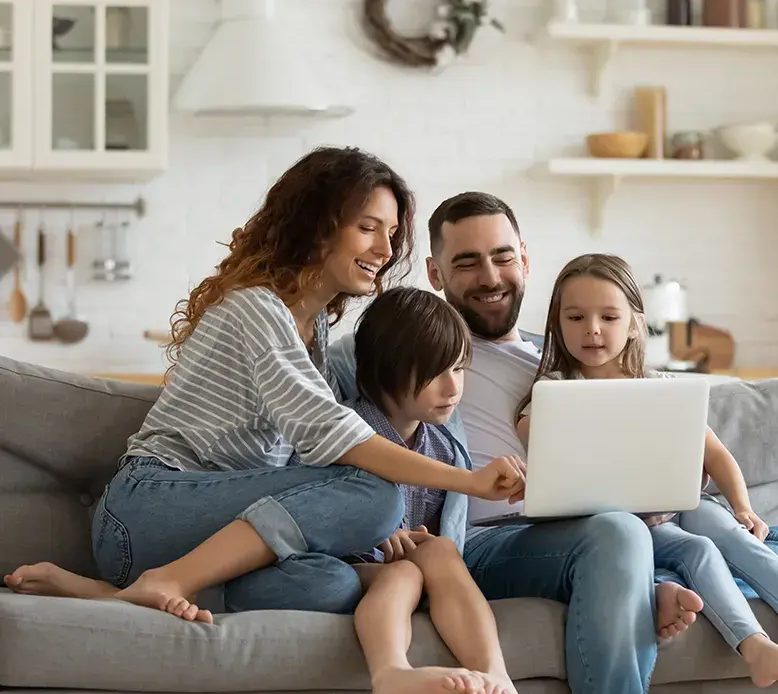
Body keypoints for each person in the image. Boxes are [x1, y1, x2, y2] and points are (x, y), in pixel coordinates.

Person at [416, 192, 778, 694]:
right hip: (499, 540)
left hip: (615, 531)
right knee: (622, 533)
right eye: (466, 262)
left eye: (502, 257)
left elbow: (687, 447)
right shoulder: (424, 352)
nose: (490, 276)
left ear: (525, 260)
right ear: (435, 273)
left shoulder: (558, 354)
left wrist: (696, 487)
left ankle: (648, 586)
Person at [3, 148, 525, 624]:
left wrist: (360, 527)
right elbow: (335, 438)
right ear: (318, 227)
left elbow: (309, 459)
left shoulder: (315, 332)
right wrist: (471, 481)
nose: (386, 249)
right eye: (369, 228)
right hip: (148, 511)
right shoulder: (257, 309)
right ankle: (167, 581)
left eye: (391, 233)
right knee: (377, 496)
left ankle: (115, 596)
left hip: (219, 531)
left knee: (333, 583)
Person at [514, 252, 778, 691]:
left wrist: (743, 508)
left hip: (679, 506)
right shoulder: (554, 393)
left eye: (608, 317)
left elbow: (718, 456)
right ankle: (754, 646)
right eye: (575, 317)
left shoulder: (661, 387)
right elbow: (536, 445)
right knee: (699, 551)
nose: (592, 329)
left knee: (736, 536)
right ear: (557, 324)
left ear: (634, 323)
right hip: (623, 528)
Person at [309, 286, 518, 694]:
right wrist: (372, 531)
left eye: (459, 368)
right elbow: (314, 508)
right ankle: (392, 674)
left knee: (441, 552)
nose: (453, 387)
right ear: (385, 372)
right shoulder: (348, 433)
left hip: (421, 570)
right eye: (434, 374)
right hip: (351, 566)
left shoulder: (443, 446)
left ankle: (496, 677)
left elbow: (442, 533)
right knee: (403, 574)